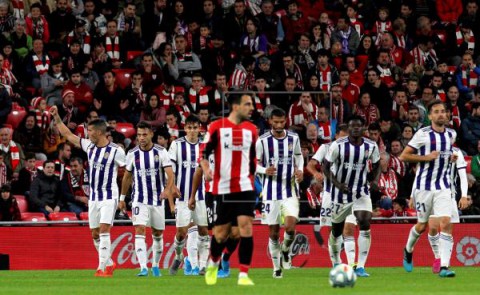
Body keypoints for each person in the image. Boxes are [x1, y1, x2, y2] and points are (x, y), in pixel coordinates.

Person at [49, 105, 126, 277]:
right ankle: (110, 262)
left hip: (109, 196)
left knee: (105, 229)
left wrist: (123, 196)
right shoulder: (89, 146)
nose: (87, 132)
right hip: (94, 197)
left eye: (90, 130)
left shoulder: (116, 151)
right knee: (95, 233)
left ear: (99, 132)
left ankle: (101, 268)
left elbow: (129, 171)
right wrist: (57, 118)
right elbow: (68, 135)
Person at [400, 101, 468, 278]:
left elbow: (445, 155)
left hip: (443, 187)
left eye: (443, 112)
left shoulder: (451, 135)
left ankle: (444, 267)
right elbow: (404, 156)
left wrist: (449, 160)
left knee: (445, 223)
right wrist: (425, 157)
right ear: (430, 116)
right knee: (422, 226)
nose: (441, 115)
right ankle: (408, 250)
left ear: (447, 115)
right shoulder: (422, 134)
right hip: (424, 187)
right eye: (436, 112)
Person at [202, 93, 258, 286]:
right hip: (222, 188)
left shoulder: (252, 130)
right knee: (221, 234)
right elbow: (204, 152)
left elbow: (252, 159)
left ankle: (243, 274)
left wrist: (253, 181)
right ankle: (213, 263)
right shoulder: (217, 127)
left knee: (245, 228)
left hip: (245, 186)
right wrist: (206, 168)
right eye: (248, 104)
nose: (252, 107)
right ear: (235, 106)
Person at [323, 115, 381, 277]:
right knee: (336, 231)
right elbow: (325, 167)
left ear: (363, 128)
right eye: (352, 126)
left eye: (358, 126)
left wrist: (374, 180)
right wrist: (337, 184)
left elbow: (377, 165)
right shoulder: (337, 145)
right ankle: (335, 260)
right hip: (339, 194)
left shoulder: (371, 146)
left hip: (361, 191)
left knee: (364, 222)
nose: (355, 129)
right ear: (348, 128)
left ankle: (360, 266)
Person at [119, 121, 175, 277]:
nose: (141, 138)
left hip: (157, 200)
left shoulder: (161, 152)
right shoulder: (132, 154)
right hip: (139, 199)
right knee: (140, 229)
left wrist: (167, 189)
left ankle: (155, 265)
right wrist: (122, 198)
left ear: (151, 134)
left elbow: (170, 174)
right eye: (139, 135)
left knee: (157, 234)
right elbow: (127, 177)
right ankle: (143, 267)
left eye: (144, 134)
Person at [255, 108, 303, 278]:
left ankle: (285, 251)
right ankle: (277, 268)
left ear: (285, 122)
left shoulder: (293, 138)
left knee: (290, 228)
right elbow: (252, 164)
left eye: (281, 122)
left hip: (290, 190)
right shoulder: (262, 141)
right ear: (270, 121)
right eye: (275, 122)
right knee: (274, 233)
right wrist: (263, 169)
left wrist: (300, 170)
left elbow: (299, 156)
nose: (278, 125)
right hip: (270, 193)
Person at [168, 116, 210, 276]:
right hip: (182, 197)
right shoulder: (177, 145)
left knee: (203, 230)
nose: (192, 131)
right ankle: (179, 256)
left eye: (195, 128)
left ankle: (202, 266)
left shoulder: (205, 147)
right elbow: (170, 169)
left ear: (199, 129)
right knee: (181, 233)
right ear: (185, 129)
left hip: (201, 197)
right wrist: (172, 186)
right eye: (189, 128)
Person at [427, 145, 468, 274]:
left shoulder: (456, 152)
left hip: (449, 195)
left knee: (447, 229)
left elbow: (462, 176)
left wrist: (464, 196)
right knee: (433, 227)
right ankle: (438, 256)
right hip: (431, 194)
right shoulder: (430, 150)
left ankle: (444, 264)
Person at [307, 124, 348, 232]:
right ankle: (335, 248)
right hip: (329, 193)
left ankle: (346, 247)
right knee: (332, 229)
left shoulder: (355, 150)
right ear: (336, 136)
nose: (344, 141)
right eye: (342, 138)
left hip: (348, 193)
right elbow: (310, 165)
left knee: (348, 227)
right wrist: (316, 173)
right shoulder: (325, 147)